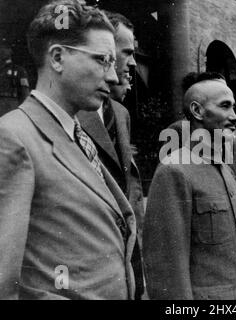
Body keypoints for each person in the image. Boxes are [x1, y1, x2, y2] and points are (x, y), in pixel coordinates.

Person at [0, 0, 138, 299]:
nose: (114, 77)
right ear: (58, 58)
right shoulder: (12, 137)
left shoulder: (74, 134)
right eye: (103, 60)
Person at [143, 72, 236, 300]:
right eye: (225, 106)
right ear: (197, 111)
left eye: (234, 107)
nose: (234, 116)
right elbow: (167, 272)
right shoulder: (174, 170)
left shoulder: (225, 169)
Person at [76, 11, 144, 298]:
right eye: (127, 53)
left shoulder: (121, 113)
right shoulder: (71, 111)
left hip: (126, 262)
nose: (132, 64)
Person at [0, 41, 30, 117]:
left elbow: (25, 93)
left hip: (11, 106)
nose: (2, 50)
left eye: (5, 48)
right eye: (1, 47)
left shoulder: (18, 70)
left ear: (10, 51)